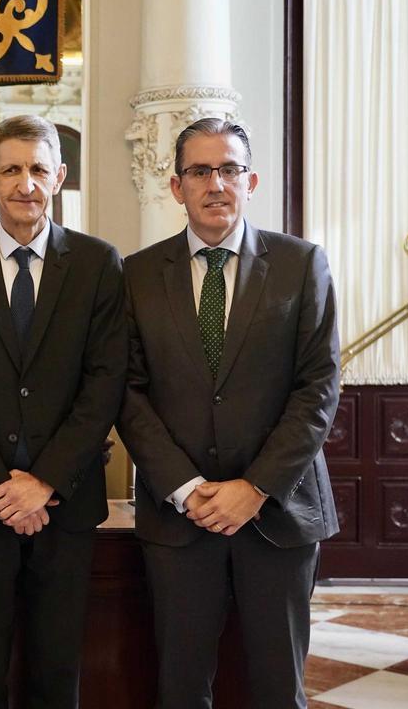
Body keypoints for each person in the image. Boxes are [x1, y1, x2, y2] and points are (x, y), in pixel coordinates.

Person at [116, 118, 340, 708]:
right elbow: (128, 393)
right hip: (179, 517)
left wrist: (256, 487)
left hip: (280, 513)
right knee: (182, 687)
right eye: (200, 171)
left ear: (251, 180)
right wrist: (186, 487)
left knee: (275, 688)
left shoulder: (301, 264)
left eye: (230, 170)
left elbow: (317, 389)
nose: (216, 184)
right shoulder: (137, 275)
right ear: (176, 186)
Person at [0, 114, 127, 708]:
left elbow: (104, 383)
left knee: (57, 673)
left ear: (59, 176)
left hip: (67, 504)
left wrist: (44, 482)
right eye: (11, 169)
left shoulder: (97, 264)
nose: (25, 184)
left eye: (38, 169)